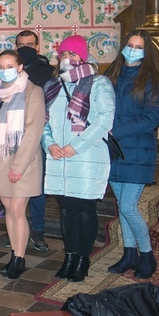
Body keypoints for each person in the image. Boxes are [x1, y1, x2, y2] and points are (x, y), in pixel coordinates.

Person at [42, 35, 115, 282]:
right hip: (59, 157)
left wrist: (76, 146)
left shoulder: (99, 83)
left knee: (84, 208)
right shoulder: (52, 85)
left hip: (86, 157)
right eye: (63, 54)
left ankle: (83, 259)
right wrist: (49, 144)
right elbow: (44, 121)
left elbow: (105, 120)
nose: (67, 59)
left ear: (83, 56)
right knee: (66, 210)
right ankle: (70, 256)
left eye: (72, 54)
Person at [0, 50, 46, 279]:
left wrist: (18, 166)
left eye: (9, 65)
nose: (4, 70)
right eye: (0, 66)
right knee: (9, 210)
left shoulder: (33, 91)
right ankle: (13, 253)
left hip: (23, 161)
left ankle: (20, 258)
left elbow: (33, 131)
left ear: (20, 67)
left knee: (18, 210)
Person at [103, 30, 159, 279]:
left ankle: (146, 256)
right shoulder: (111, 75)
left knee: (128, 206)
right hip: (113, 150)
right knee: (121, 206)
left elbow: (152, 118)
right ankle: (129, 254)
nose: (133, 50)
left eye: (138, 47)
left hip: (138, 149)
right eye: (129, 45)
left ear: (146, 52)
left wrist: (117, 130)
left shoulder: (151, 80)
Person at [6, 30, 54, 252]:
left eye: (30, 44)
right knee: (13, 187)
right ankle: (17, 226)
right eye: (21, 44)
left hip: (36, 136)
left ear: (37, 47)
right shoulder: (8, 73)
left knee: (37, 187)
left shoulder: (47, 73)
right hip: (9, 138)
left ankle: (38, 230)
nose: (25, 48)